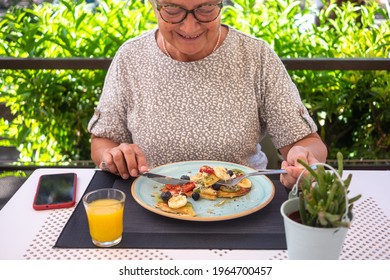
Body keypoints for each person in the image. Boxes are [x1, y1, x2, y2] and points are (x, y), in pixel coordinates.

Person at [88, 0, 327, 188]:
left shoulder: (256, 56)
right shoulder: (131, 57)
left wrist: (303, 160)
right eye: (172, 10)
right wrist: (114, 156)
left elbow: (307, 142)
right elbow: (102, 141)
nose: (189, 27)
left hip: (245, 203)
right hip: (152, 202)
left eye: (205, 9)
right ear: (153, 6)